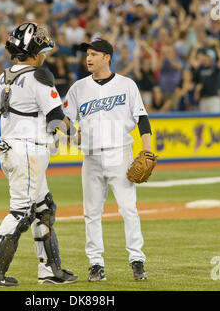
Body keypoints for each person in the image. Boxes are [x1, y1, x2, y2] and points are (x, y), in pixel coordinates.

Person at [0, 22, 79, 287]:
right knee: (21, 212)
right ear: (34, 52)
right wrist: (76, 134)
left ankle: (49, 270)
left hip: (11, 149)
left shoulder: (3, 76)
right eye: (42, 49)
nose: (44, 54)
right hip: (27, 151)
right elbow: (57, 118)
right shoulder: (40, 76)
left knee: (44, 209)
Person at [64, 38, 153, 282]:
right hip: (91, 156)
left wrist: (146, 151)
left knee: (128, 208)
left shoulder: (126, 85)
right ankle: (95, 264)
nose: (88, 58)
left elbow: (143, 120)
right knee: (91, 212)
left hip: (120, 152)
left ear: (107, 57)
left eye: (93, 54)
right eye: (87, 55)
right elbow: (66, 121)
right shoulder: (78, 88)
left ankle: (137, 260)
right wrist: (68, 131)